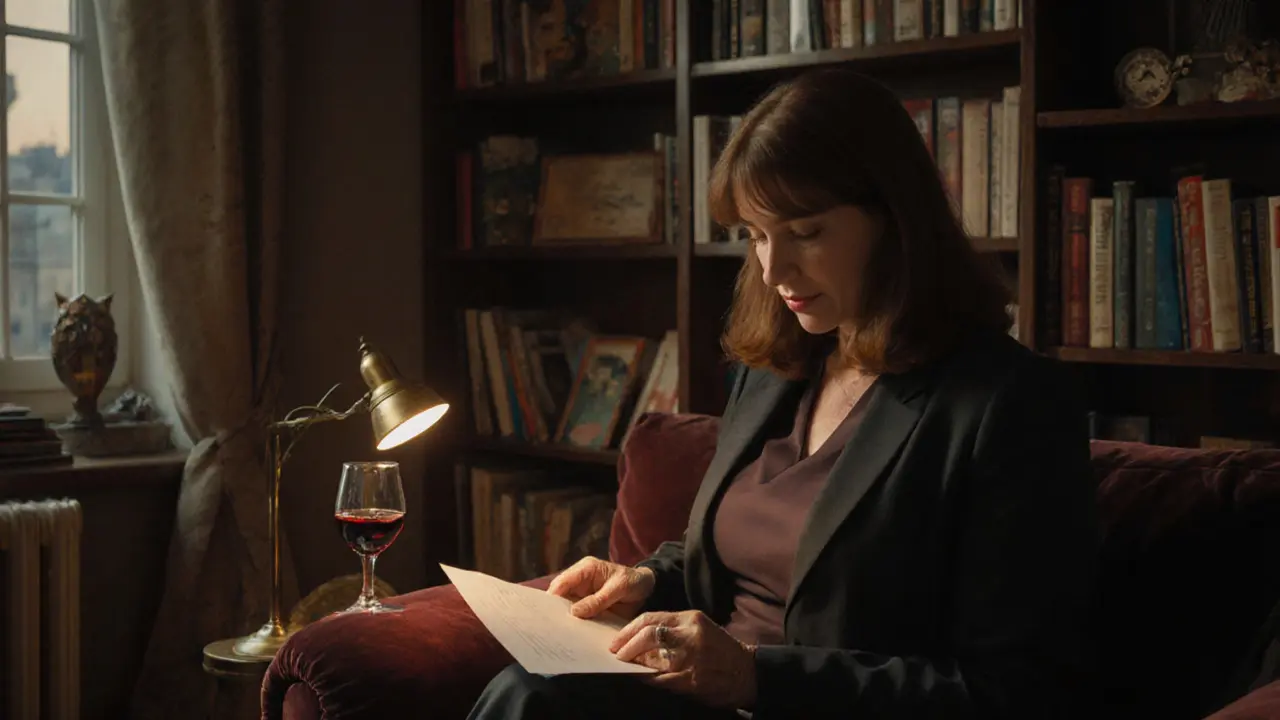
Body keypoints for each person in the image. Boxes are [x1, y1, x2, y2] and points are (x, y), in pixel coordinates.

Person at [467, 67, 1098, 720]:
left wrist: (754, 675)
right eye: (756, 235)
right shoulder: (776, 370)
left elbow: (1016, 693)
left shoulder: (1011, 403)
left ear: (895, 219)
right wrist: (649, 579)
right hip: (707, 700)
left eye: (805, 232)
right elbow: (734, 548)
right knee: (533, 690)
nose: (773, 270)